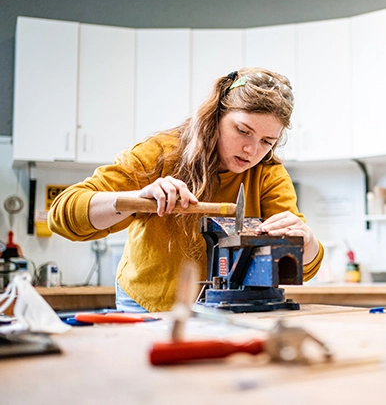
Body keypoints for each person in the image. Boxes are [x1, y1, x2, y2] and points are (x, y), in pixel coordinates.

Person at [48, 67, 324, 313]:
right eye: (242, 131)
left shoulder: (267, 172)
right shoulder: (159, 154)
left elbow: (301, 265)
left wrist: (307, 242)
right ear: (215, 116)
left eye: (267, 141)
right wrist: (136, 199)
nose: (252, 150)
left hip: (230, 308)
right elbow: (62, 215)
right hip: (148, 305)